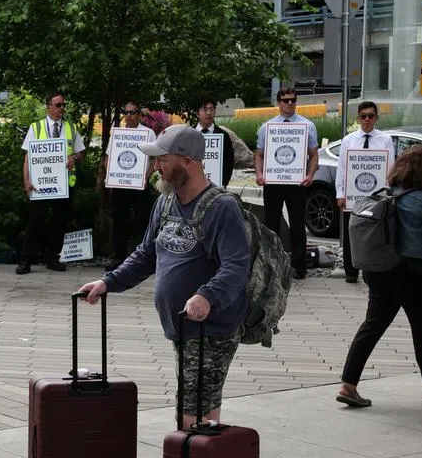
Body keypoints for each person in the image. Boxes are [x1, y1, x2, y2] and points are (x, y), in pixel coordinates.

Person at [80, 125, 250, 428]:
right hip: (183, 327)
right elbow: (147, 254)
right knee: (202, 408)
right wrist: (108, 282)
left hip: (211, 328)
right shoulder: (166, 201)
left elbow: (237, 265)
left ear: (188, 161)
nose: (155, 166)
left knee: (191, 411)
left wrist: (206, 295)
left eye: (162, 159)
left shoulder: (222, 207)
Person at [336, 145, 422, 407]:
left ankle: (348, 384)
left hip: (380, 270)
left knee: (372, 327)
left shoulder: (387, 193)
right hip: (413, 273)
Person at [254, 87, 319, 280]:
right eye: (285, 100)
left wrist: (310, 174)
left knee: (298, 224)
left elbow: (314, 154)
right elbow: (259, 155)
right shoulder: (267, 127)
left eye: (292, 100)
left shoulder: (308, 126)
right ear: (278, 103)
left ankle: (299, 266)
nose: (289, 104)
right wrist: (259, 174)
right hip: (273, 181)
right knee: (271, 224)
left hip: (297, 182)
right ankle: (272, 266)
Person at [17, 92, 85, 275]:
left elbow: (80, 153)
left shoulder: (71, 127)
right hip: (41, 184)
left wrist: (73, 157)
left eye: (64, 105)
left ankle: (52, 258)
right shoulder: (36, 127)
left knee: (60, 222)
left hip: (64, 184)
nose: (62, 108)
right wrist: (27, 181)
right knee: (35, 221)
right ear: (48, 107)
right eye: (58, 105)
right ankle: (26, 260)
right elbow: (27, 158)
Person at [335, 101, 395, 284]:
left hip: (376, 197)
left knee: (374, 232)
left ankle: (372, 269)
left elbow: (390, 167)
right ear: (358, 118)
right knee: (350, 231)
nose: (367, 119)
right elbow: (342, 169)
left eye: (371, 116)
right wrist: (340, 193)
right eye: (363, 116)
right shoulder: (348, 140)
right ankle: (350, 271)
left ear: (376, 118)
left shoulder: (385, 139)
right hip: (353, 196)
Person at [96, 100, 155, 267]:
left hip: (139, 185)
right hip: (120, 185)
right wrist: (111, 176)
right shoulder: (117, 133)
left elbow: (156, 160)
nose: (128, 116)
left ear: (139, 115)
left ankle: (146, 257)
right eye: (126, 112)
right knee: (118, 219)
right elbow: (108, 159)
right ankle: (118, 257)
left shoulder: (148, 133)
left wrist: (145, 177)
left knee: (143, 220)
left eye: (132, 112)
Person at [196, 99, 235, 189]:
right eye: (205, 110)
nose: (209, 113)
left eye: (211, 109)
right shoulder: (190, 135)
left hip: (217, 187)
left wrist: (223, 183)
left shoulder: (223, 135)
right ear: (197, 113)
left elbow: (229, 161)